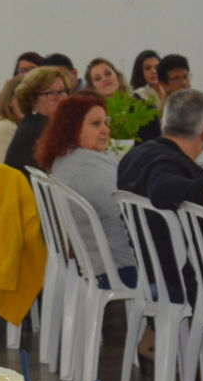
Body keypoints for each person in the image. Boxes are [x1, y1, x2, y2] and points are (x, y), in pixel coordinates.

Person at [116, 90, 203, 303]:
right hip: (180, 280)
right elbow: (160, 187)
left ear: (164, 121)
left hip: (146, 267)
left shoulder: (134, 155)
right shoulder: (170, 165)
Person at [34, 94, 136, 287]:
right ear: (72, 128)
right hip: (120, 268)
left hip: (95, 263)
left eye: (106, 122)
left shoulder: (64, 160)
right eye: (96, 124)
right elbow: (127, 212)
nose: (106, 130)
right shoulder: (88, 167)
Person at [3, 66, 69, 173]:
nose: (60, 98)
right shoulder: (40, 129)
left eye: (62, 91)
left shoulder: (32, 123)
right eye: (50, 93)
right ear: (32, 100)